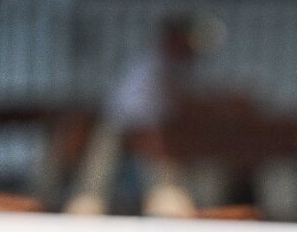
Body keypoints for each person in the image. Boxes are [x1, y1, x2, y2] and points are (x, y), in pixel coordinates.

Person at [64, 17, 205, 216]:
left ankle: (166, 202)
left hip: (143, 126)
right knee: (98, 176)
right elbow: (138, 110)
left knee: (161, 165)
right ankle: (86, 205)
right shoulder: (154, 65)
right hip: (124, 122)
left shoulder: (175, 67)